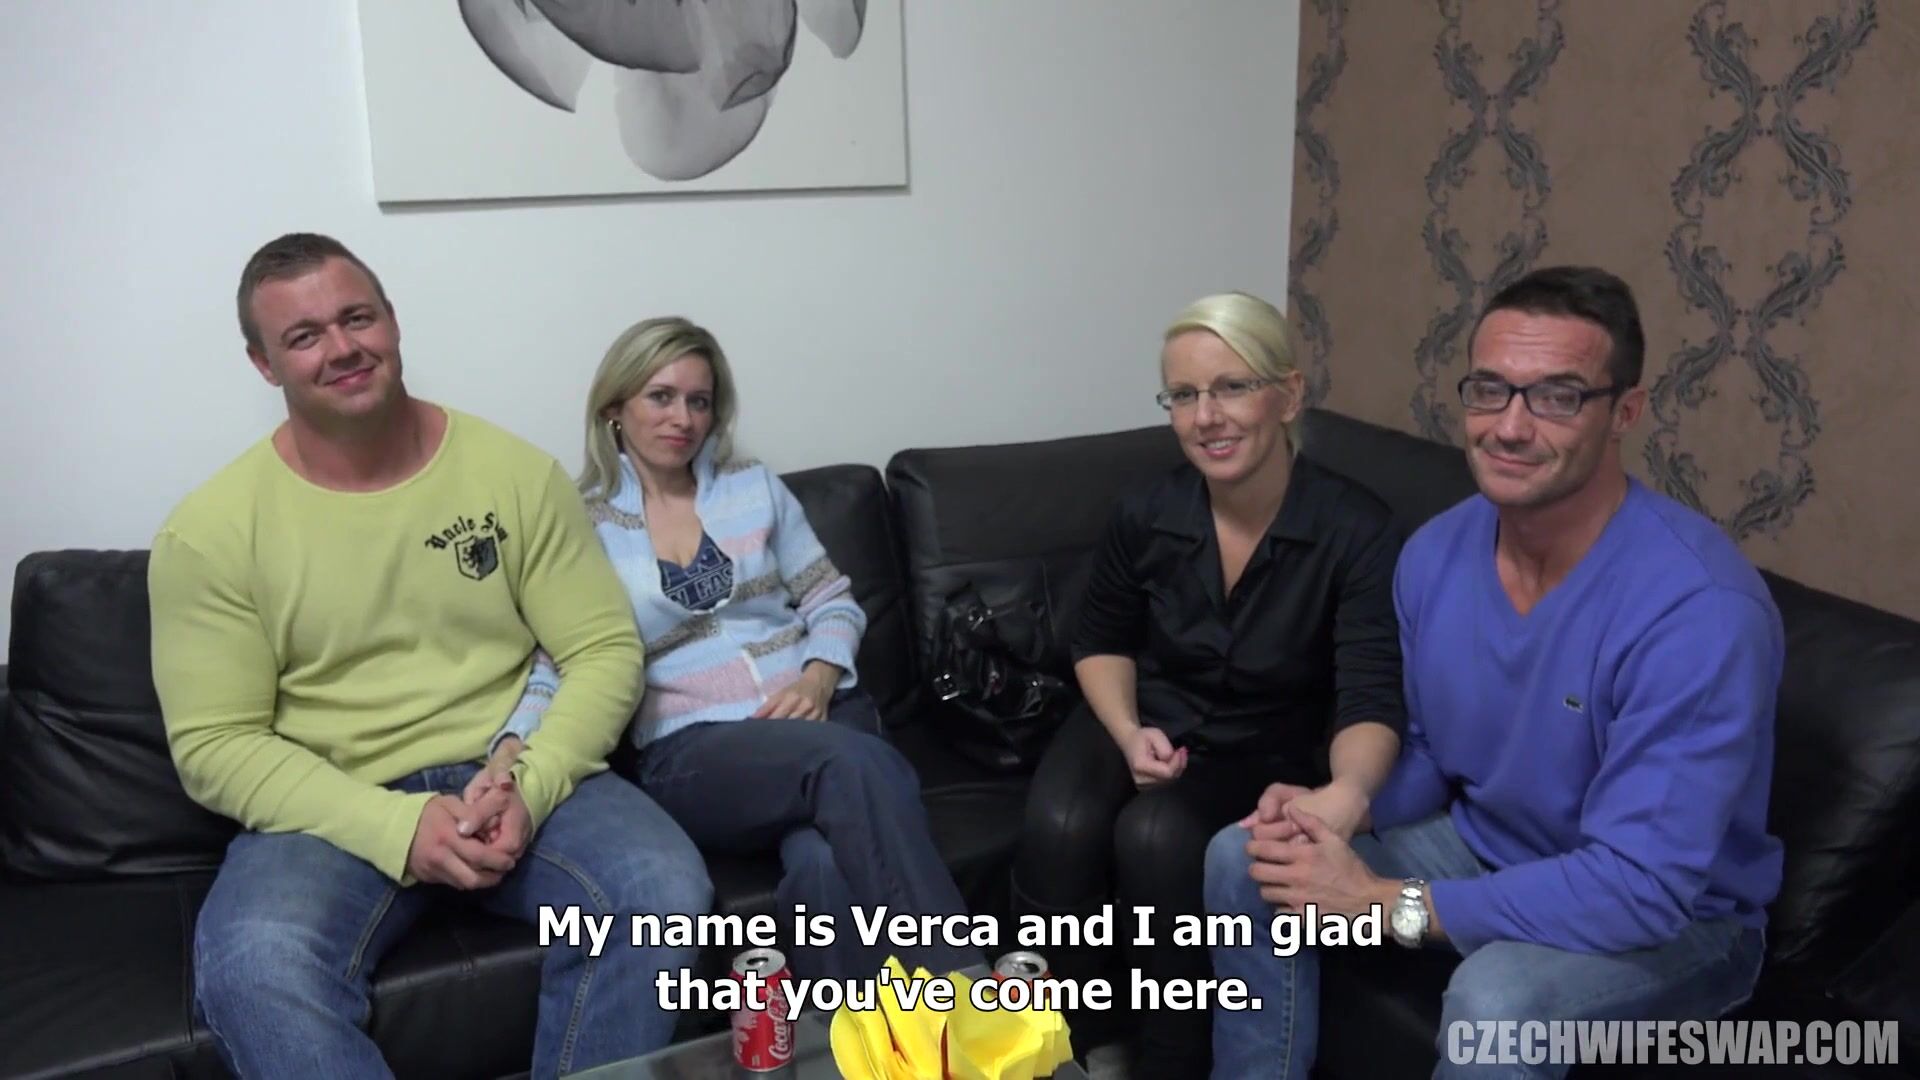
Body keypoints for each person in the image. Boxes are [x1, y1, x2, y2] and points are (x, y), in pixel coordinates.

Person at [148, 233, 713, 1080]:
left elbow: (602, 649)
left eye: (357, 318)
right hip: (331, 801)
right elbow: (215, 745)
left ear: (392, 320)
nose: (342, 347)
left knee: (661, 892)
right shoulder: (210, 532)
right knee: (255, 969)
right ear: (265, 365)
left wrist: (531, 784)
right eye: (304, 336)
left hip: (509, 769)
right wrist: (397, 827)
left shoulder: (513, 473)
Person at [1206, 266, 1785, 1078]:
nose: (1510, 427)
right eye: (1490, 390)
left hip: (1679, 921)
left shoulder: (1699, 612)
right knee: (1247, 856)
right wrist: (1343, 805)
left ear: (1624, 412)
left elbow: (1640, 889)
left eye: (1557, 397)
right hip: (1487, 848)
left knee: (1497, 1001)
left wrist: (1382, 903)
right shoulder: (1436, 552)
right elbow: (1429, 750)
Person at [478, 316, 980, 984]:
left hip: (821, 713)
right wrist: (511, 749)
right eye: (661, 396)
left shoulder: (752, 487)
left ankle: (849, 1036)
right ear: (615, 408)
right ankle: (966, 993)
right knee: (853, 764)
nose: (682, 418)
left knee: (822, 862)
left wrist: (818, 678)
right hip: (697, 749)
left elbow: (831, 599)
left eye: (699, 401)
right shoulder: (581, 524)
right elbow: (560, 661)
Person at [1009, 292, 1409, 1073]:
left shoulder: (1357, 529)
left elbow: (1370, 693)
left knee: (1156, 835)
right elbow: (1100, 641)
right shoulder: (1147, 509)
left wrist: (1349, 791)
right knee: (1060, 820)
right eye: (1184, 395)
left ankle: (1172, 1062)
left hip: (1264, 739)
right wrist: (1128, 732)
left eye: (1232, 387)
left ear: (1288, 394)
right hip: (1144, 708)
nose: (1206, 417)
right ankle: (1060, 1046)